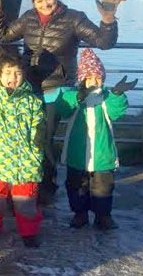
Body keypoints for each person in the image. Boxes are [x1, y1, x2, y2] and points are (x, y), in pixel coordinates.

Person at [0, 0, 124, 204]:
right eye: (39, 1)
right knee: (25, 138)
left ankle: (46, 187)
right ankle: (24, 184)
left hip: (56, 89)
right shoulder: (28, 18)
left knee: (44, 139)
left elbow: (104, 42)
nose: (45, 4)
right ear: (33, 2)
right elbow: (5, 36)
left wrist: (108, 20)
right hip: (28, 87)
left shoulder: (74, 18)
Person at [55, 49, 136, 230]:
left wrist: (117, 94)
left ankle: (103, 216)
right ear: (82, 79)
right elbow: (63, 107)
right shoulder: (74, 96)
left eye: (98, 77)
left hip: (102, 154)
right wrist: (78, 96)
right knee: (76, 186)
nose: (94, 81)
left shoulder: (106, 97)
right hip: (77, 153)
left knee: (103, 188)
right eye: (89, 77)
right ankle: (80, 214)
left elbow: (116, 112)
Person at [0, 55, 45, 248]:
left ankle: (29, 232)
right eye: (8, 73)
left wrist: (36, 154)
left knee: (26, 202)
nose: (13, 77)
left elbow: (39, 132)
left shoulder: (33, 102)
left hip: (25, 163)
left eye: (18, 73)